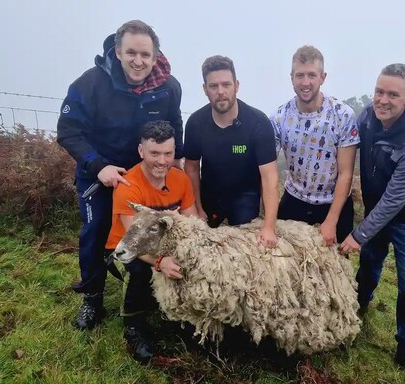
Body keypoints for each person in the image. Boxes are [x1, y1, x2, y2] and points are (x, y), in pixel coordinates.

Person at [56, 20, 184, 331]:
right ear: (118, 51)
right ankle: (92, 297)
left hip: (145, 174)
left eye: (145, 55)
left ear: (155, 56)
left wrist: (175, 164)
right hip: (99, 170)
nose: (138, 62)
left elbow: (175, 127)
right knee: (96, 231)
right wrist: (99, 167)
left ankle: (150, 291)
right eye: (131, 53)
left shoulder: (168, 87)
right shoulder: (89, 84)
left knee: (155, 231)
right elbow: (68, 131)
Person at [339, 63, 405, 375]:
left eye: (392, 95)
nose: (382, 100)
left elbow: (395, 200)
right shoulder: (367, 119)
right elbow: (345, 154)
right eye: (379, 91)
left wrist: (358, 234)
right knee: (369, 267)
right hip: (375, 211)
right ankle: (356, 312)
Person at [105, 120, 197, 364]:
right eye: (154, 153)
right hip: (128, 247)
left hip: (166, 242)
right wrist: (159, 262)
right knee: (138, 270)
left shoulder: (181, 180)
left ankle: (183, 317)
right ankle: (133, 324)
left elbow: (192, 221)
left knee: (192, 263)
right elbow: (134, 242)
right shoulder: (128, 186)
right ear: (141, 151)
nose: (162, 161)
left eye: (168, 153)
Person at [184, 55, 279, 248]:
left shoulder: (258, 123)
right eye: (214, 86)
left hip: (245, 196)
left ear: (236, 85)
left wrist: (269, 226)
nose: (221, 92)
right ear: (205, 89)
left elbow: (270, 178)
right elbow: (191, 168)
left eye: (226, 85)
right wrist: (197, 208)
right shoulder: (195, 123)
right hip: (209, 196)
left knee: (242, 250)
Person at [270, 45, 359, 246]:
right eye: (300, 75)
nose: (306, 82)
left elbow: (346, 174)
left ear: (323, 77)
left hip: (333, 202)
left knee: (334, 269)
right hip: (295, 200)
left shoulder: (342, 115)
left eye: (312, 75)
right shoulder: (278, 118)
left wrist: (331, 221)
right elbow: (269, 170)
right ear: (291, 77)